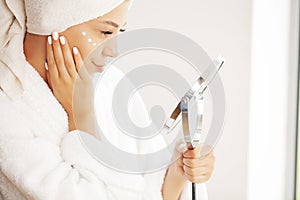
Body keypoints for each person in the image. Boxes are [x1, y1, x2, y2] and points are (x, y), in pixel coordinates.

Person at [0, 0, 216, 199]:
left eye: (119, 31)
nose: (114, 50)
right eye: (105, 31)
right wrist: (81, 115)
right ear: (55, 22)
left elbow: (148, 192)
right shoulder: (7, 111)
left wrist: (176, 175)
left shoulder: (112, 85)